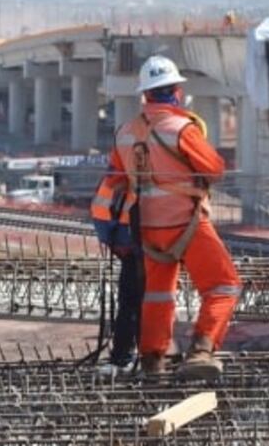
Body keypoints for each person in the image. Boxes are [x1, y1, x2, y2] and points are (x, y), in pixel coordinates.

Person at [107, 55, 241, 380]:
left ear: (145, 95)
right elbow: (215, 168)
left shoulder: (125, 132)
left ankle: (153, 360)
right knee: (224, 286)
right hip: (187, 223)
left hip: (146, 228)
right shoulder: (182, 129)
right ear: (177, 92)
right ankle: (201, 350)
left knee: (157, 294)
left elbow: (117, 174)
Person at [90, 176, 142, 368]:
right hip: (130, 243)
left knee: (129, 303)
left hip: (120, 240)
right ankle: (130, 355)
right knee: (134, 304)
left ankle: (125, 354)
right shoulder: (135, 176)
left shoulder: (117, 173)